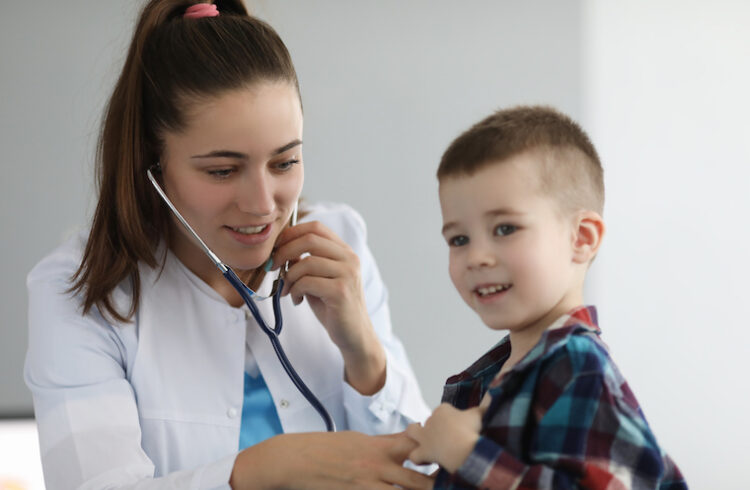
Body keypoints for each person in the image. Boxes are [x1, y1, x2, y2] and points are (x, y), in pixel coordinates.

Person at [23, 1, 431, 488]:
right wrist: (259, 470)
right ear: (153, 164)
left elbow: (425, 472)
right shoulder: (79, 291)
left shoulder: (340, 243)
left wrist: (363, 354)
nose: (262, 205)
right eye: (222, 171)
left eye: (284, 163)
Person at [405, 106, 687, 489]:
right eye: (459, 239)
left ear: (581, 239)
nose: (476, 257)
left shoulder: (577, 368)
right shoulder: (495, 376)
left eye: (505, 228)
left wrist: (465, 454)